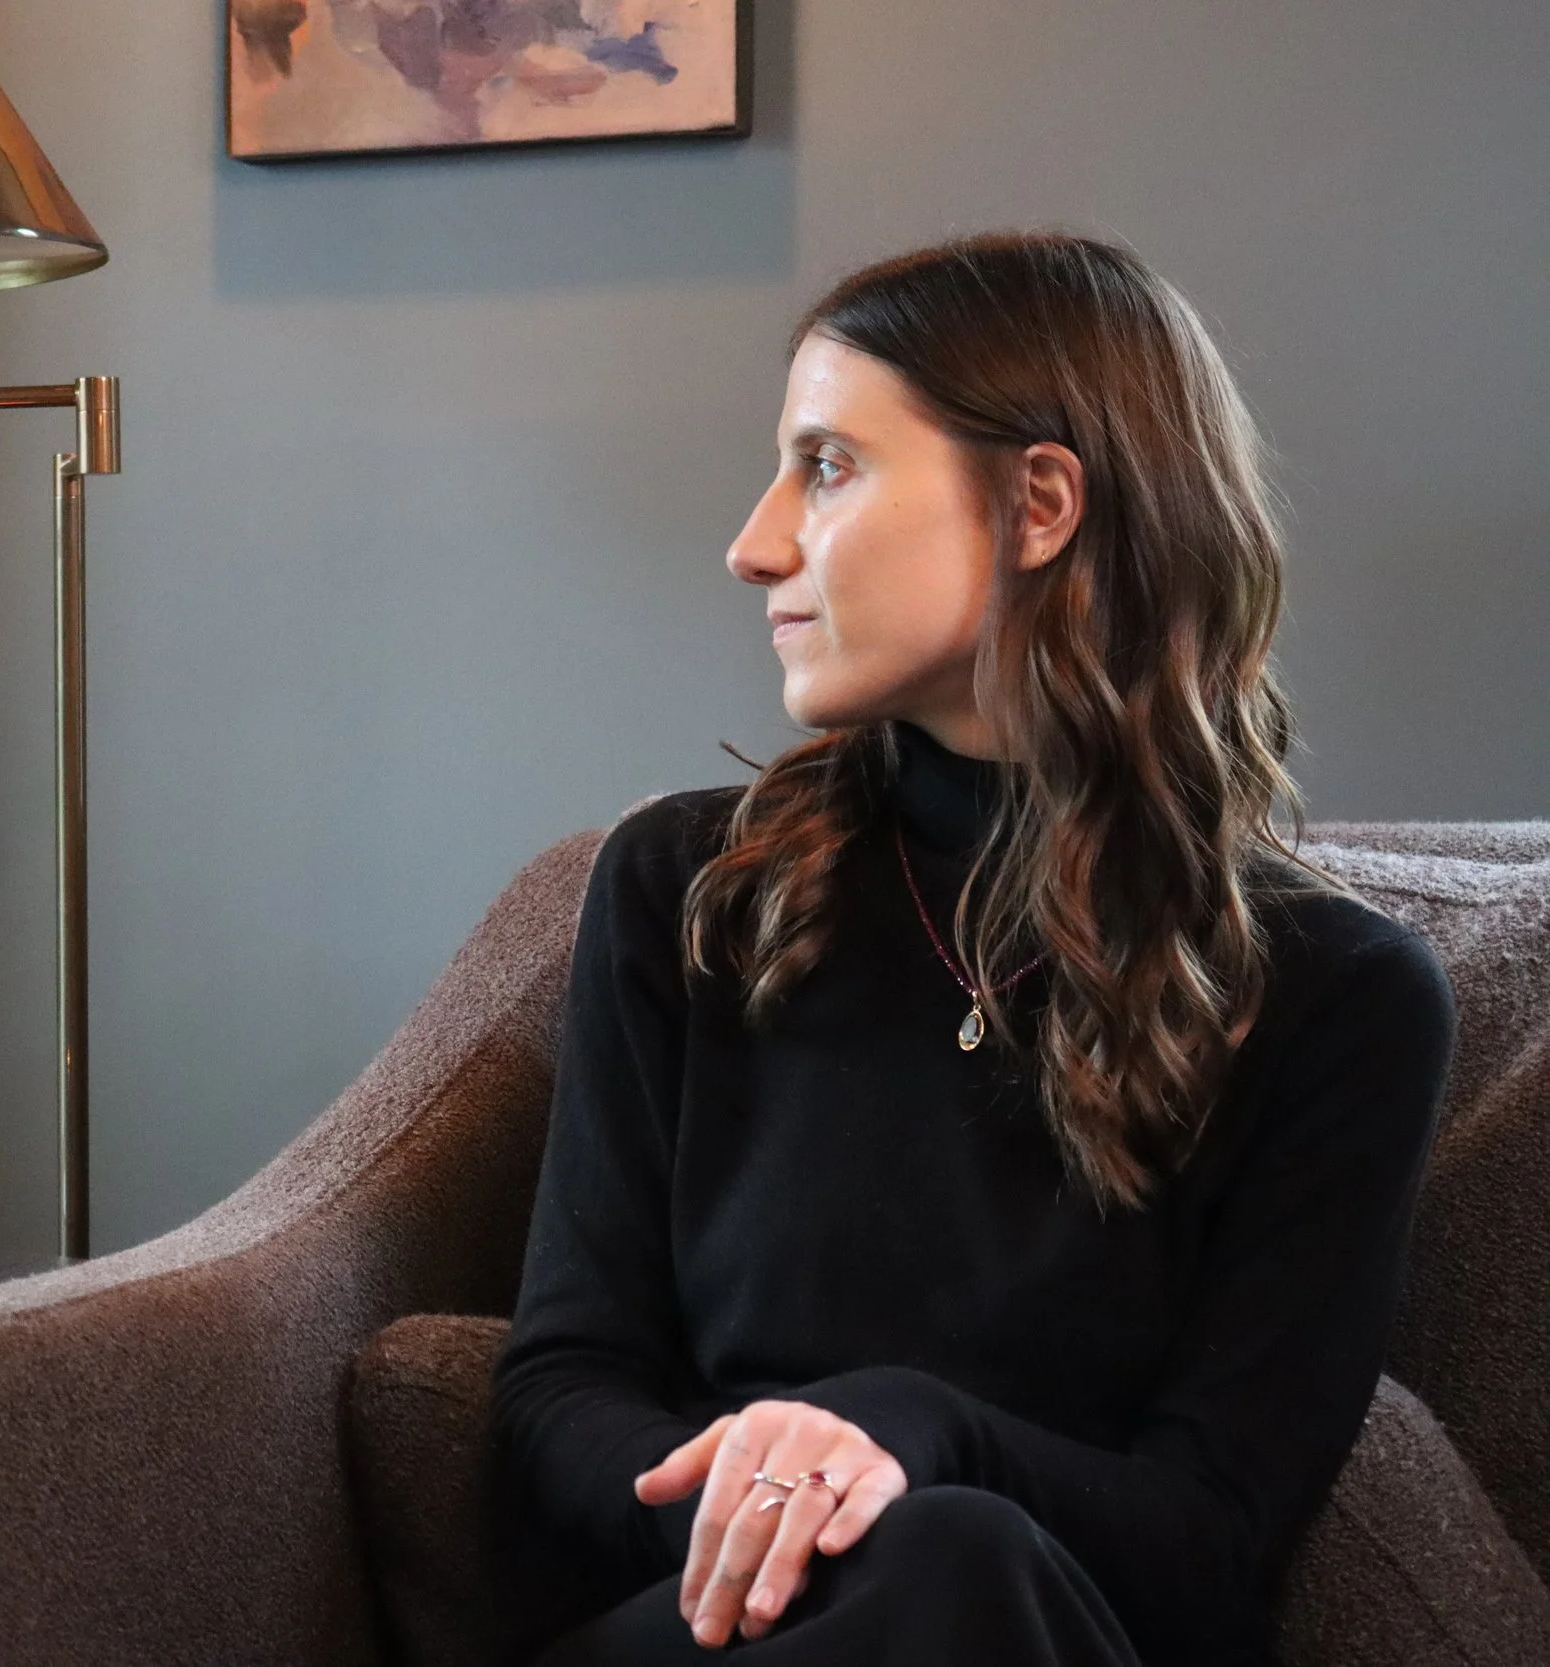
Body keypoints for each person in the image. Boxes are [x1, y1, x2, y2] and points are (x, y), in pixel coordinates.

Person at [488, 232, 1456, 1666]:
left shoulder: (1340, 999)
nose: (756, 542)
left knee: (963, 1554)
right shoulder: (686, 887)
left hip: (1037, 1626)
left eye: (827, 465)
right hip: (703, 1631)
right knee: (941, 1555)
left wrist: (916, 1432)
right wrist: (782, 1509)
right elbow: (563, 1386)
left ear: (1041, 500)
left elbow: (1215, 1540)